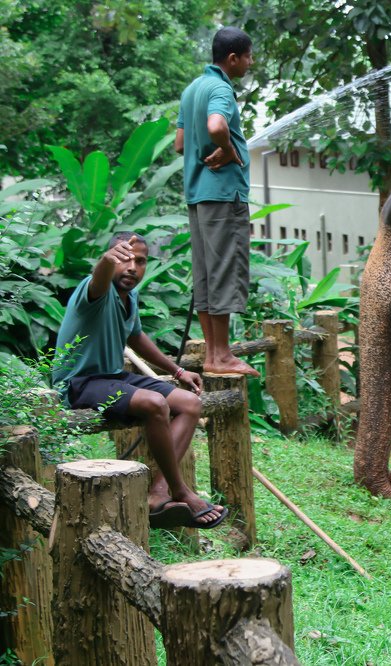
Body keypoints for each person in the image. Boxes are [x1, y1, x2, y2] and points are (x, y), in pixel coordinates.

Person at [53, 232, 227, 529]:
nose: (132, 266)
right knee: (155, 403)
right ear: (111, 258)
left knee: (189, 403)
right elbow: (99, 277)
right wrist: (108, 260)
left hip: (113, 377)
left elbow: (135, 336)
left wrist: (178, 371)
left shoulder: (129, 297)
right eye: (125, 258)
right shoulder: (96, 289)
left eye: (141, 261)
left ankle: (158, 493)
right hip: (80, 382)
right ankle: (181, 490)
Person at [174, 26, 259, 377]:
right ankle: (222, 356)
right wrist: (228, 149)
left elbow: (181, 144)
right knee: (223, 272)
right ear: (233, 58)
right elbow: (215, 126)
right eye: (249, 56)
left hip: (197, 196)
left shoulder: (192, 89)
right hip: (223, 197)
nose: (251, 63)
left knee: (206, 277)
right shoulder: (221, 88)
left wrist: (215, 148)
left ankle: (213, 354)